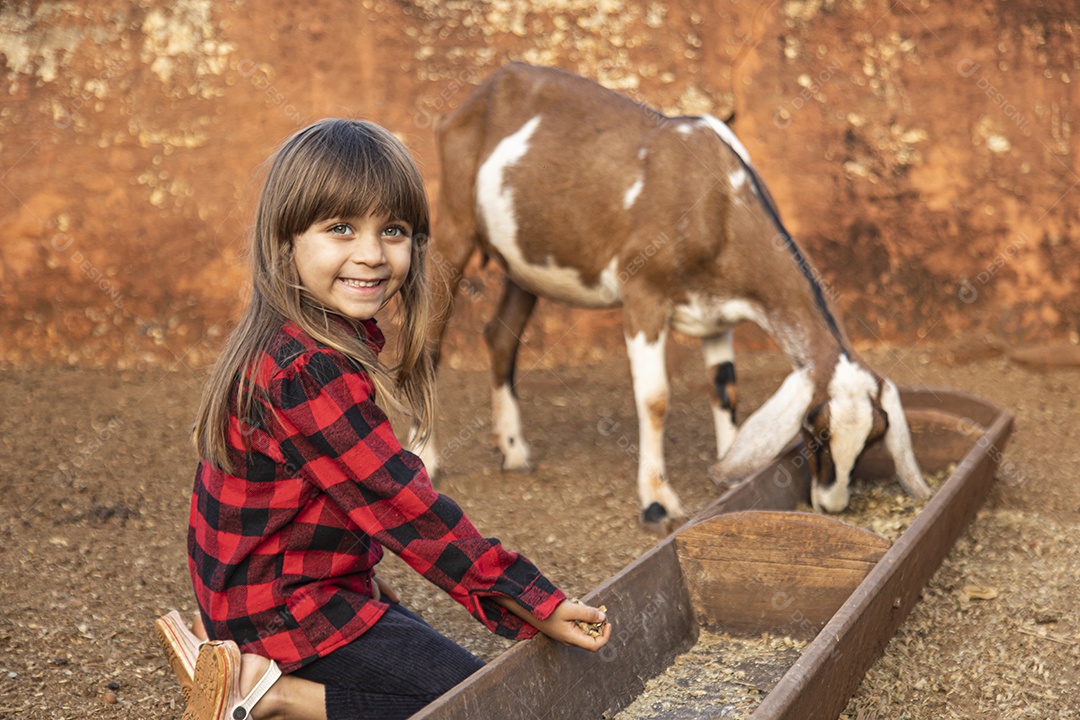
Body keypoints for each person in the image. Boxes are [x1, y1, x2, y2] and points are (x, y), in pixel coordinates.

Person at [155, 118, 611, 720]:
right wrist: (535, 600)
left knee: (441, 677)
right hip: (285, 611)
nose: (371, 255)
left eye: (391, 230)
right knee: (481, 706)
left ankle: (251, 666)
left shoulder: (289, 339)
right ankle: (271, 694)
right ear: (285, 240)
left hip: (261, 597)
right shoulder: (307, 371)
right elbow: (404, 506)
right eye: (340, 228)